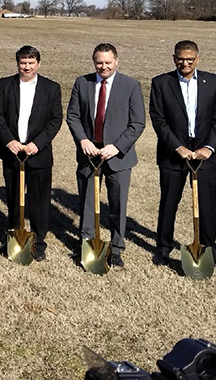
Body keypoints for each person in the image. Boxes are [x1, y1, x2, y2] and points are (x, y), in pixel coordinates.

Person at [149, 40, 216, 268]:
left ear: (197, 59)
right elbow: (159, 120)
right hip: (172, 153)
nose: (185, 63)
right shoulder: (162, 83)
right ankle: (163, 247)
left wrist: (208, 148)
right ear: (174, 58)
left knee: (207, 202)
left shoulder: (213, 82)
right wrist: (178, 147)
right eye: (181, 58)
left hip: (204, 154)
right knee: (169, 201)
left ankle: (209, 248)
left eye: (190, 59)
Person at [66, 43, 145, 267]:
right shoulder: (83, 83)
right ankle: (87, 242)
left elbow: (138, 123)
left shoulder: (130, 85)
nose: (104, 66)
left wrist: (117, 147)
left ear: (116, 61)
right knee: (87, 202)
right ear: (94, 62)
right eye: (99, 62)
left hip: (118, 157)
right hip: (89, 154)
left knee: (117, 204)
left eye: (108, 62)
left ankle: (117, 246)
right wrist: (83, 140)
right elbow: (72, 116)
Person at [0, 45, 62, 261]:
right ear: (17, 63)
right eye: (23, 63)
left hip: (38, 155)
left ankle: (39, 243)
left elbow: (55, 120)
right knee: (14, 199)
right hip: (12, 152)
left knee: (39, 202)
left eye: (31, 63)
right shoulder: (6, 85)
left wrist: (37, 144)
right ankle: (14, 238)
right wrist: (9, 141)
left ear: (38, 64)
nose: (27, 67)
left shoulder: (51, 88)